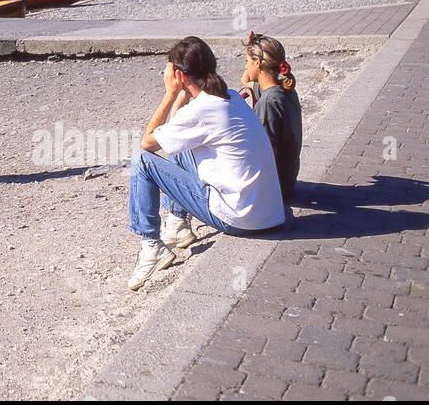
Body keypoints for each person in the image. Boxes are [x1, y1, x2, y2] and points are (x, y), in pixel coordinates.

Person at [127, 36, 286, 290]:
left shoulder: (202, 111)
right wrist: (181, 95)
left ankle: (151, 245)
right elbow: (177, 130)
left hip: (241, 218)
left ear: (180, 75)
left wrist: (170, 95)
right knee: (179, 145)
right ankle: (178, 224)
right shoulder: (231, 98)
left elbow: (147, 144)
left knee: (142, 163)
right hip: (268, 212)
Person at [240, 31, 302, 204]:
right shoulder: (283, 88)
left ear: (258, 63)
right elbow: (245, 80)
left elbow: (267, 154)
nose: (246, 67)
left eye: (247, 62)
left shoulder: (269, 102)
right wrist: (252, 46)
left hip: (276, 188)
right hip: (287, 180)